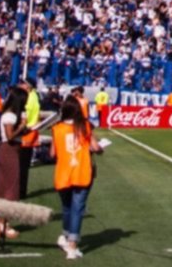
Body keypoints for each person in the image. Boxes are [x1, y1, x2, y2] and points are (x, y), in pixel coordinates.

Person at [52, 96, 102, 259]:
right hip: (81, 171)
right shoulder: (85, 126)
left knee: (67, 207)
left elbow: (52, 153)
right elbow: (95, 147)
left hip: (64, 172)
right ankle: (72, 244)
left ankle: (66, 237)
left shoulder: (56, 128)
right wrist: (99, 148)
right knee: (78, 208)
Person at [0, 89, 29, 239]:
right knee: (11, 186)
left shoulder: (9, 115)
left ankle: (1, 222)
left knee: (5, 185)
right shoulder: (9, 116)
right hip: (9, 150)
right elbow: (10, 136)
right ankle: (2, 224)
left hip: (11, 150)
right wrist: (21, 126)